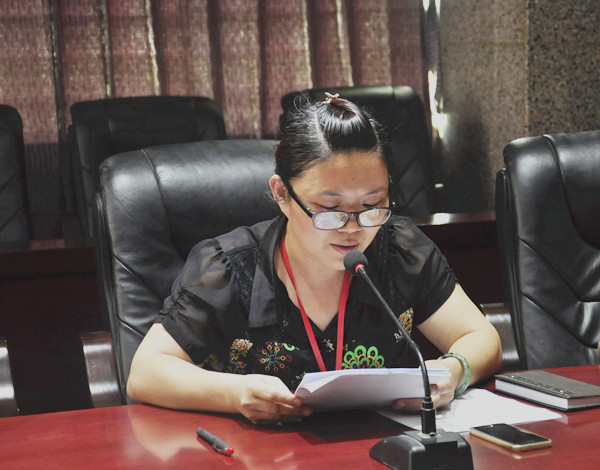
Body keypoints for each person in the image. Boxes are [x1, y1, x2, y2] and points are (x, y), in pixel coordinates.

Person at [127, 92, 502, 424]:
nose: (353, 229)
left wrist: (454, 372)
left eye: (372, 205)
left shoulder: (400, 250)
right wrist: (233, 394)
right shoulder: (229, 269)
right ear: (282, 194)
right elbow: (146, 372)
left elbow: (480, 336)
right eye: (330, 210)